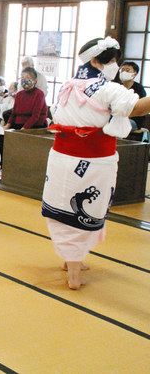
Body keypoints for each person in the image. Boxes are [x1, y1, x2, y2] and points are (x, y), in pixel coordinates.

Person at [42, 37, 150, 289]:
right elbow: (136, 108)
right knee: (86, 207)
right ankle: (74, 273)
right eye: (114, 61)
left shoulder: (69, 84)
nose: (116, 66)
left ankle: (71, 260)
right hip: (92, 161)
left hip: (61, 159)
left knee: (64, 204)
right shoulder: (107, 88)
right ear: (101, 61)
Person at [116, 61, 146, 131]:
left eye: (127, 70)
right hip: (117, 117)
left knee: (116, 125)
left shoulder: (139, 88)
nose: (124, 72)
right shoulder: (117, 87)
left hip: (134, 120)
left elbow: (140, 108)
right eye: (122, 70)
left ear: (134, 74)